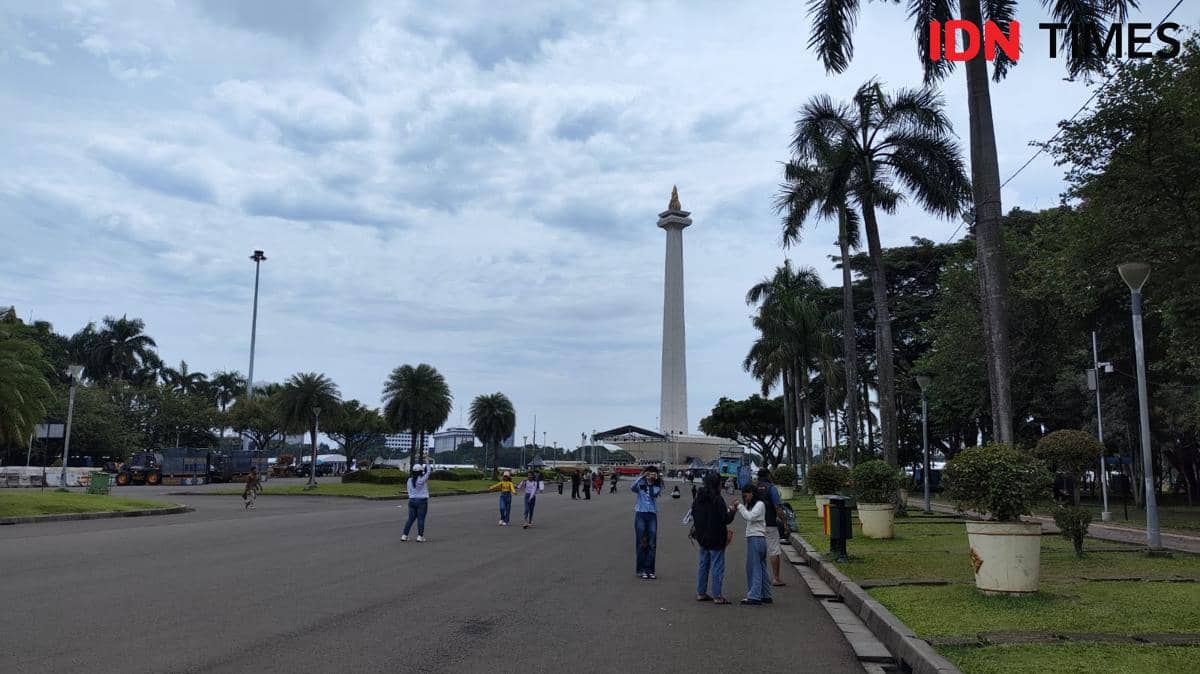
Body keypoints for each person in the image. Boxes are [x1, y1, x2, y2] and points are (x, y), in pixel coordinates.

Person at [690, 472, 735, 604]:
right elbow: (725, 519)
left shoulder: (699, 497)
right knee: (717, 566)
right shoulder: (718, 499)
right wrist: (732, 511)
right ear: (717, 483)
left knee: (703, 565)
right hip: (716, 537)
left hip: (702, 537)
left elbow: (694, 514)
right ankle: (717, 595)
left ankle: (701, 592)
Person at [732, 484, 771, 605]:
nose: (746, 498)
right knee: (761, 567)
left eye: (746, 495)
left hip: (756, 538)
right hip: (758, 539)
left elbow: (750, 517)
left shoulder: (759, 504)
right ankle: (765, 594)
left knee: (754, 568)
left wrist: (739, 506)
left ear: (752, 493)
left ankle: (754, 595)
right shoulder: (757, 505)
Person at [756, 468, 790, 587]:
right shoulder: (772, 488)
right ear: (768, 475)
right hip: (770, 523)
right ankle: (776, 578)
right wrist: (785, 522)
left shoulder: (754, 488)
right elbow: (778, 508)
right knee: (774, 550)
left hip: (756, 525)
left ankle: (758, 578)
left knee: (758, 552)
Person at [631, 466, 663, 579]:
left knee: (652, 543)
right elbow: (632, 488)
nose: (651, 476)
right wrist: (642, 477)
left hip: (652, 515)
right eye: (650, 473)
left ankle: (650, 569)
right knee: (641, 542)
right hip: (640, 513)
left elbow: (654, 494)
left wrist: (651, 481)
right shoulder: (640, 483)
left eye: (653, 474)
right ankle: (641, 570)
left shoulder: (657, 485)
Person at [402, 458, 433, 542]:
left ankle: (404, 535)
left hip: (411, 501)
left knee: (410, 519)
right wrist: (427, 463)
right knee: (421, 519)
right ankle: (420, 536)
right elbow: (428, 472)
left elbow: (409, 491)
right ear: (420, 471)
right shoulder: (422, 480)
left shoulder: (409, 480)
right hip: (422, 501)